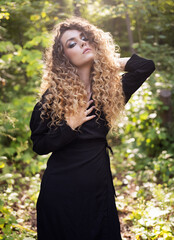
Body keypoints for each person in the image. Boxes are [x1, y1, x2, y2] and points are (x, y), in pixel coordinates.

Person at [30, 16, 155, 240]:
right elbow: (39, 145)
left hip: (98, 189)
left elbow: (145, 66)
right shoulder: (54, 97)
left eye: (85, 38)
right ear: (63, 58)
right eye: (72, 44)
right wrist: (69, 126)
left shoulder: (111, 91)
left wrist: (106, 62)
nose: (82, 43)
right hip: (61, 192)